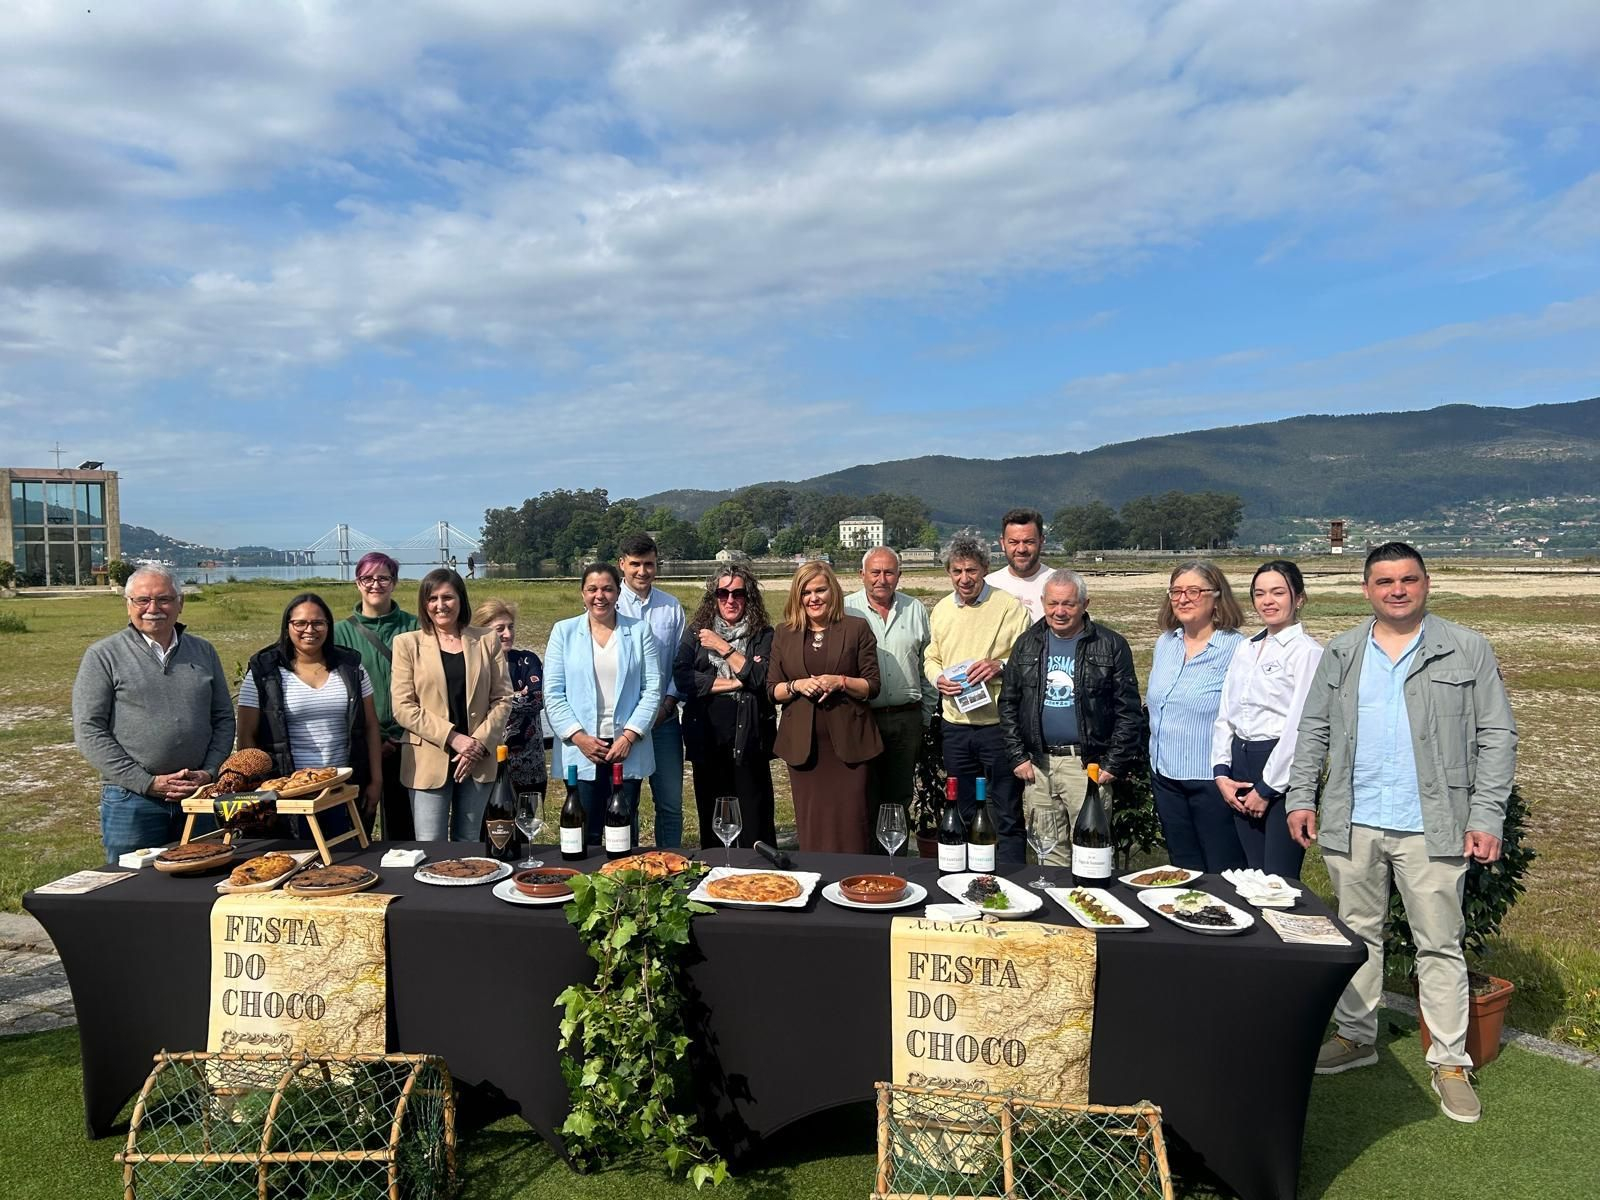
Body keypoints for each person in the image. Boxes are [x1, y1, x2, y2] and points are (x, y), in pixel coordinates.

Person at [1288, 543, 1516, 1124]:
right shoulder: (1343, 651)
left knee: (1439, 942)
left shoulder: (1466, 648)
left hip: (1433, 825)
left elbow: (1497, 736)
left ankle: (1450, 1061)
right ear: (1366, 589)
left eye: (1408, 579)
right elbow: (1313, 730)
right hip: (1354, 819)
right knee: (1357, 933)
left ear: (1426, 584)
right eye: (1385, 581)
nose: (1397, 590)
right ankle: (1355, 1036)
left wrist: (1486, 816)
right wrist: (1302, 797)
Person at [73, 565, 235, 861]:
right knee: (130, 882)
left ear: (180, 603)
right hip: (132, 799)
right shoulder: (103, 655)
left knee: (203, 874)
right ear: (128, 604)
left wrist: (210, 772)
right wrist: (145, 782)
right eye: (142, 600)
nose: (153, 608)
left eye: (164, 599)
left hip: (198, 796)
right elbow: (89, 730)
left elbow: (223, 718)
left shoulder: (203, 651)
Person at [998, 570, 1142, 867]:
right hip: (1039, 766)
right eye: (1053, 603)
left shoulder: (1110, 644)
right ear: (1042, 602)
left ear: (1085, 604)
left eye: (1068, 604)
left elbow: (1128, 711)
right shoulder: (1027, 643)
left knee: (1092, 853)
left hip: (1087, 766)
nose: (1059, 611)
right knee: (1048, 854)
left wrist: (1113, 763)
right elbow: (1009, 703)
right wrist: (1018, 757)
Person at [1210, 561, 1323, 879]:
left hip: (1281, 771)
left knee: (1279, 880)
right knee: (1250, 876)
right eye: (1259, 594)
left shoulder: (1307, 652)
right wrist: (1221, 773)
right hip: (1240, 768)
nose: (1267, 601)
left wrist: (1267, 788)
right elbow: (1226, 714)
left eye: (1278, 592)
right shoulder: (1245, 648)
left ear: (1299, 598)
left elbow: (1300, 727)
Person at [237, 592, 383, 837]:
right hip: (286, 795)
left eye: (318, 623)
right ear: (287, 626)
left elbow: (370, 726)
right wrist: (258, 792)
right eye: (300, 623)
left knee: (346, 855)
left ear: (328, 626)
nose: (309, 630)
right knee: (294, 856)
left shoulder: (351, 667)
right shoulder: (264, 672)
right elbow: (246, 737)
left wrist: (376, 781)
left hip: (342, 790)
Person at [925, 536, 1032, 865]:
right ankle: (970, 874)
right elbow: (932, 657)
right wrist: (937, 678)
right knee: (964, 808)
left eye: (971, 570)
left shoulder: (1009, 606)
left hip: (998, 727)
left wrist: (999, 666)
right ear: (948, 572)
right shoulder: (942, 610)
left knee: (1006, 809)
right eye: (956, 571)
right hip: (955, 727)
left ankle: (1012, 876)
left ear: (985, 568)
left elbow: (1028, 658)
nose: (964, 578)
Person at [767, 560, 883, 853]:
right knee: (812, 823)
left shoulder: (856, 628)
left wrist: (840, 681)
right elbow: (772, 689)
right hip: (804, 750)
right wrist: (796, 685)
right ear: (797, 596)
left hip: (849, 747)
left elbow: (872, 686)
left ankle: (854, 876)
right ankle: (816, 874)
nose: (813, 598)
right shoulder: (784, 632)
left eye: (820, 590)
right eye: (806, 592)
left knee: (852, 822)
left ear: (833, 591)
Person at [544, 562, 663, 846]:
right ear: (582, 593)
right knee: (584, 830)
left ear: (618, 592)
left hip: (625, 745)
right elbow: (553, 693)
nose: (600, 596)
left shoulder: (639, 631)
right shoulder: (563, 632)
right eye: (592, 589)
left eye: (608, 589)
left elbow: (652, 689)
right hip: (583, 746)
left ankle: (625, 872)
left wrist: (630, 735)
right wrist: (578, 737)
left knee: (623, 827)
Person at [391, 568, 512, 841]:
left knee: (468, 841)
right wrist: (454, 738)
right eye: (432, 598)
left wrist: (477, 744)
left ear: (461, 600)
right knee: (430, 843)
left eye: (447, 597)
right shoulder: (407, 644)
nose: (440, 605)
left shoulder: (486, 640)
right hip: (427, 760)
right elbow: (403, 707)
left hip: (477, 759)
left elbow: (503, 698)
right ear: (424, 604)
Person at [1145, 560, 1247, 872]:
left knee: (1222, 871)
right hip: (1165, 777)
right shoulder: (1166, 643)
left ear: (1216, 596)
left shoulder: (1237, 649)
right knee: (1183, 869)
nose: (1183, 599)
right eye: (1176, 592)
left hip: (1211, 781)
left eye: (1193, 591)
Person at [674, 565, 777, 848]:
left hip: (750, 739)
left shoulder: (763, 634)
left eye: (738, 593)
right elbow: (682, 678)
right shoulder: (696, 633)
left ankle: (758, 872)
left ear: (749, 597)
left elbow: (761, 677)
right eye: (723, 593)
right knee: (714, 820)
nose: (730, 600)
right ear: (714, 597)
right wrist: (736, 682)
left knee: (755, 820)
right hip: (707, 738)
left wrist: (722, 646)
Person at [844, 546, 937, 853]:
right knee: (862, 795)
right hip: (862, 717)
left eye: (889, 572)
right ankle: (864, 861)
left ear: (899, 575)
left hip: (905, 717)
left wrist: (925, 716)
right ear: (862, 574)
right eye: (875, 572)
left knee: (899, 796)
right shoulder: (846, 609)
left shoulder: (915, 609)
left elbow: (927, 665)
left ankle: (895, 861)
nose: (881, 579)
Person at [333, 551, 420, 840]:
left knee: (404, 832)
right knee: (358, 827)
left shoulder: (415, 627)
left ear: (394, 582)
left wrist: (402, 733)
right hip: (362, 744)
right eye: (367, 578)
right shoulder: (339, 633)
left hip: (408, 741)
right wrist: (374, 740)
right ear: (357, 582)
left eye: (383, 578)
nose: (375, 584)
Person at [615, 533, 687, 848]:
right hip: (623, 725)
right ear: (622, 564)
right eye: (635, 564)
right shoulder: (610, 604)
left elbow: (681, 663)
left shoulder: (671, 607)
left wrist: (668, 704)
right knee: (625, 803)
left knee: (670, 804)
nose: (642, 571)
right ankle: (624, 863)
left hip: (664, 721)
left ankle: (671, 862)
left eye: (649, 564)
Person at [473, 599, 547, 808]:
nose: (508, 634)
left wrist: (495, 701)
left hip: (529, 767)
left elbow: (536, 699)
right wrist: (515, 696)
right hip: (488, 763)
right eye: (500, 629)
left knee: (528, 824)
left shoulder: (527, 660)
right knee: (490, 824)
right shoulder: (474, 665)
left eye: (511, 627)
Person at [985, 507, 1054, 621]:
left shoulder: (1060, 583)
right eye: (1014, 542)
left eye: (1029, 542)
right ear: (1002, 543)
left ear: (1041, 542)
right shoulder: (988, 585)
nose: (1021, 549)